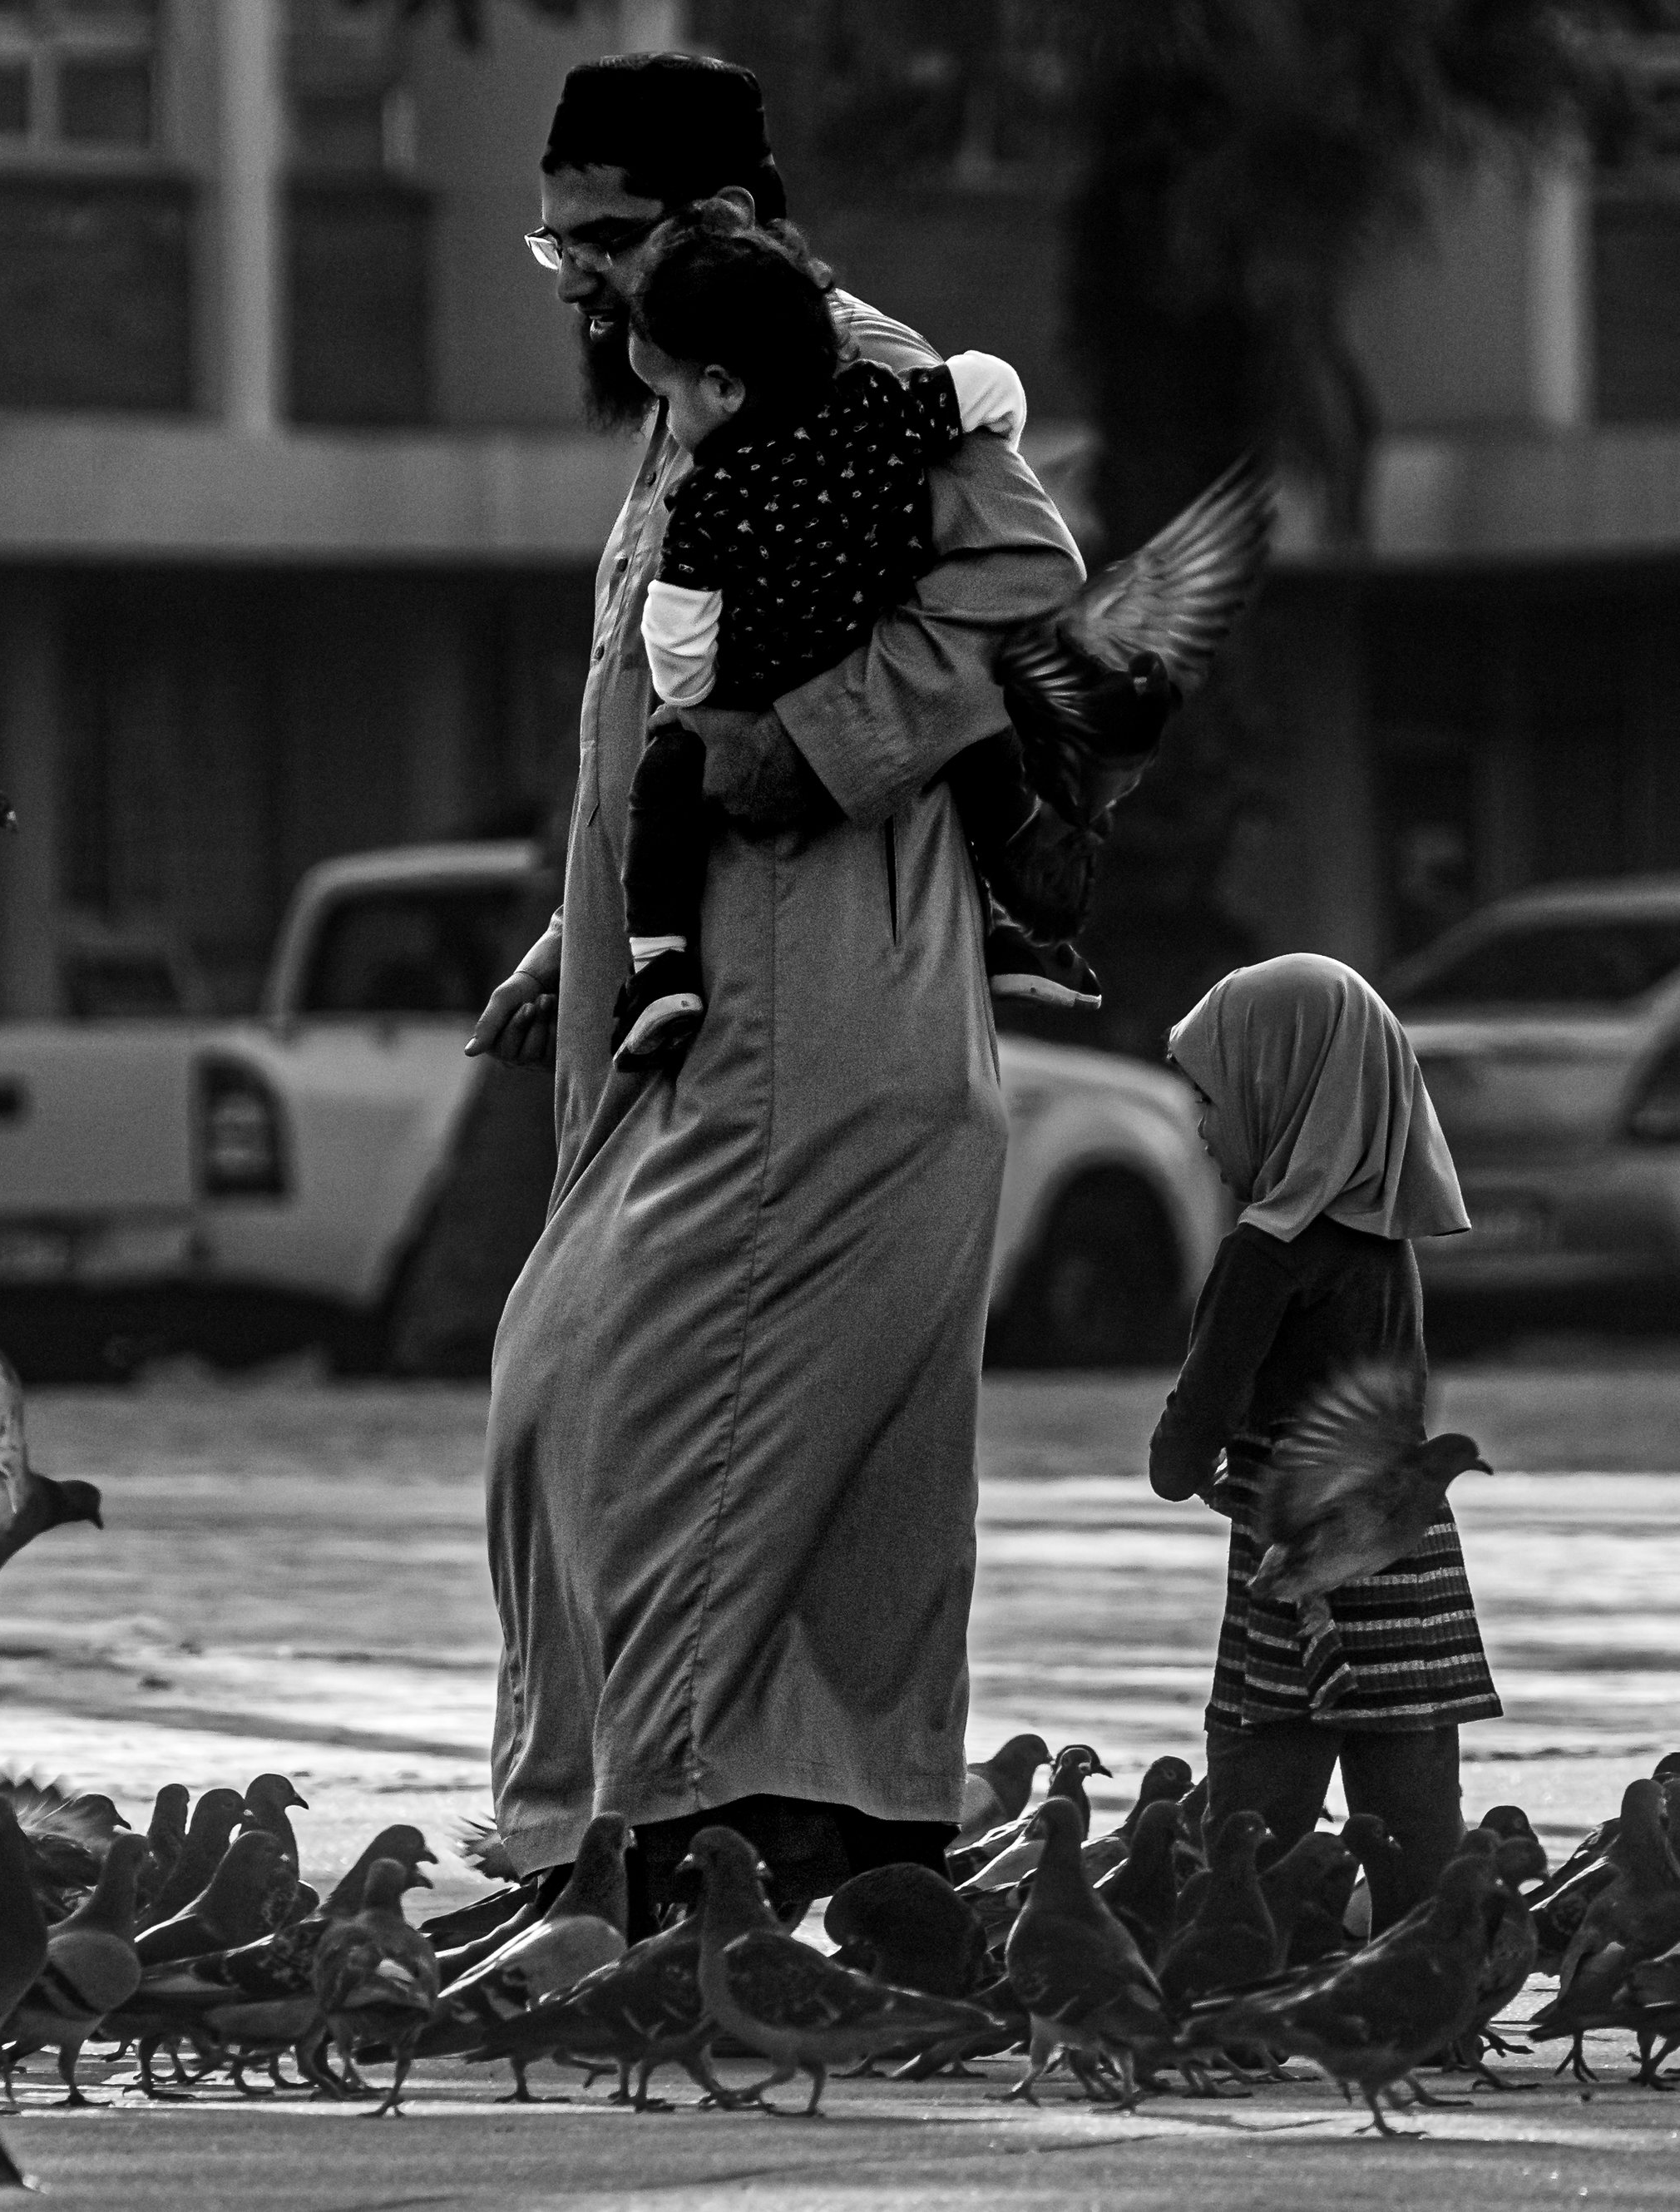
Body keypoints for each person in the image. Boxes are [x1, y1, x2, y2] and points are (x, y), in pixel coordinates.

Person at [467, 52, 1168, 1923]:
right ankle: (804, 1848)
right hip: (713, 1001)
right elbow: (658, 714)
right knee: (725, 1436)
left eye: (604, 237)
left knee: (622, 1407)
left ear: (722, 222)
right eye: (556, 241)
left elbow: (1031, 575)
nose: (578, 280)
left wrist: (832, 738)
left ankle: (640, 1861)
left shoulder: (844, 364)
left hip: (820, 1017)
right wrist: (584, 919)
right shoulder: (692, 393)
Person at [613, 201, 1093, 1069]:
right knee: (967, 737)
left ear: (722, 387)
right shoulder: (878, 409)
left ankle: (659, 969)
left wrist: (686, 674)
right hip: (868, 645)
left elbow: (680, 663)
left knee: (668, 772)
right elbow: (990, 386)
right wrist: (997, 446)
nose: (668, 418)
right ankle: (1010, 908)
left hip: (771, 690)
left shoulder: (709, 500)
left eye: (668, 393)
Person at [1151, 953, 1496, 1927]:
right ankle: (1433, 1984)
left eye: (1210, 1099)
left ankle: (1243, 1976)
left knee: (1262, 1775)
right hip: (1401, 1541)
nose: (1202, 1128)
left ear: (1278, 1089)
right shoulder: (1384, 1248)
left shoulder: (1262, 1252)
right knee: (1413, 1781)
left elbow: (1196, 1419)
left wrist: (1177, 1470)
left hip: (1298, 1550)